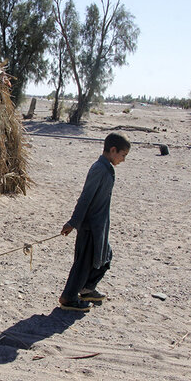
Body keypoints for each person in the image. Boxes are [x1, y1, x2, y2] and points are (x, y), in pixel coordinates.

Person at [58, 133, 130, 311]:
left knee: (105, 256)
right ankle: (68, 298)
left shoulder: (107, 168)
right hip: (90, 226)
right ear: (113, 150)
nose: (123, 160)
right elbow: (85, 198)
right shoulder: (99, 169)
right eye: (123, 155)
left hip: (100, 226)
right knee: (83, 263)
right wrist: (73, 222)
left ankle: (87, 288)